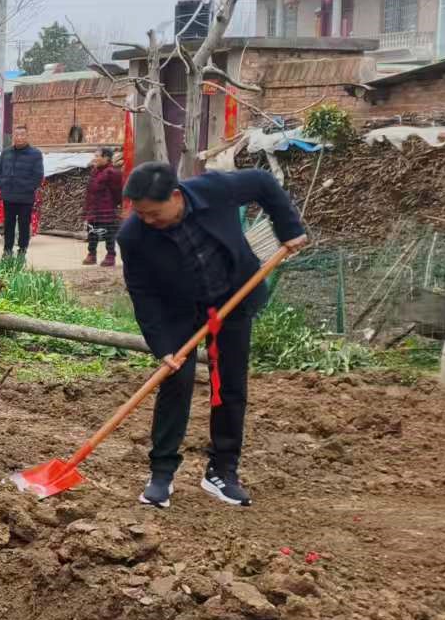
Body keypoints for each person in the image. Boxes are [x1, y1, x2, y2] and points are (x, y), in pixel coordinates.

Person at [119, 163, 307, 509]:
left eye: (153, 213)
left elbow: (263, 182)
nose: (147, 220)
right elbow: (142, 293)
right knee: (176, 383)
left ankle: (222, 471)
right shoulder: (133, 236)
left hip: (232, 298)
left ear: (176, 196)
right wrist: (162, 346)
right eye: (140, 213)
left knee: (230, 385)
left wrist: (289, 227)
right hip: (178, 311)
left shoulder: (215, 190)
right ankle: (162, 473)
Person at [0, 124, 44, 259]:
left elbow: (38, 176)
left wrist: (28, 188)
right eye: (17, 135)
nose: (19, 137)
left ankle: (22, 251)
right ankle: (7, 251)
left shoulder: (35, 154)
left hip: (25, 197)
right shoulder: (6, 152)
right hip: (8, 196)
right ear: (13, 137)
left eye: (22, 135)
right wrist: (2, 185)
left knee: (24, 226)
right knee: (8, 225)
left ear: (27, 136)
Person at [83, 147, 122, 267]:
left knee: (109, 232)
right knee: (92, 231)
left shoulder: (112, 172)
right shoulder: (95, 171)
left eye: (97, 156)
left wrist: (114, 204)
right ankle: (92, 254)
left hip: (106, 208)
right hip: (93, 208)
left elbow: (117, 191)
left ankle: (110, 255)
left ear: (106, 158)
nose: (95, 158)